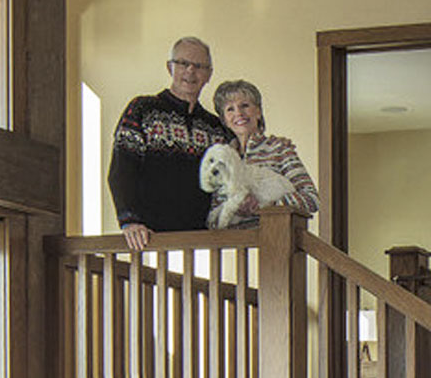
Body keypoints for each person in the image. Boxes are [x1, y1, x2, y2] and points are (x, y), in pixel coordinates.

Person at [108, 37, 231, 251]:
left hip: (202, 245)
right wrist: (129, 220)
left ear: (209, 74)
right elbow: (122, 169)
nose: (190, 71)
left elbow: (227, 184)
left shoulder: (216, 128)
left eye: (199, 66)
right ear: (170, 67)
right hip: (149, 241)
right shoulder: (142, 109)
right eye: (183, 63)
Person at [209, 79, 319, 227]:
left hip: (275, 243)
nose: (239, 113)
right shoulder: (221, 160)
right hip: (235, 247)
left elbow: (311, 198)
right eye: (230, 109)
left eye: (245, 105)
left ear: (258, 112)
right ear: (224, 120)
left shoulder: (279, 148)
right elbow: (213, 220)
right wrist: (236, 209)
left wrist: (266, 207)